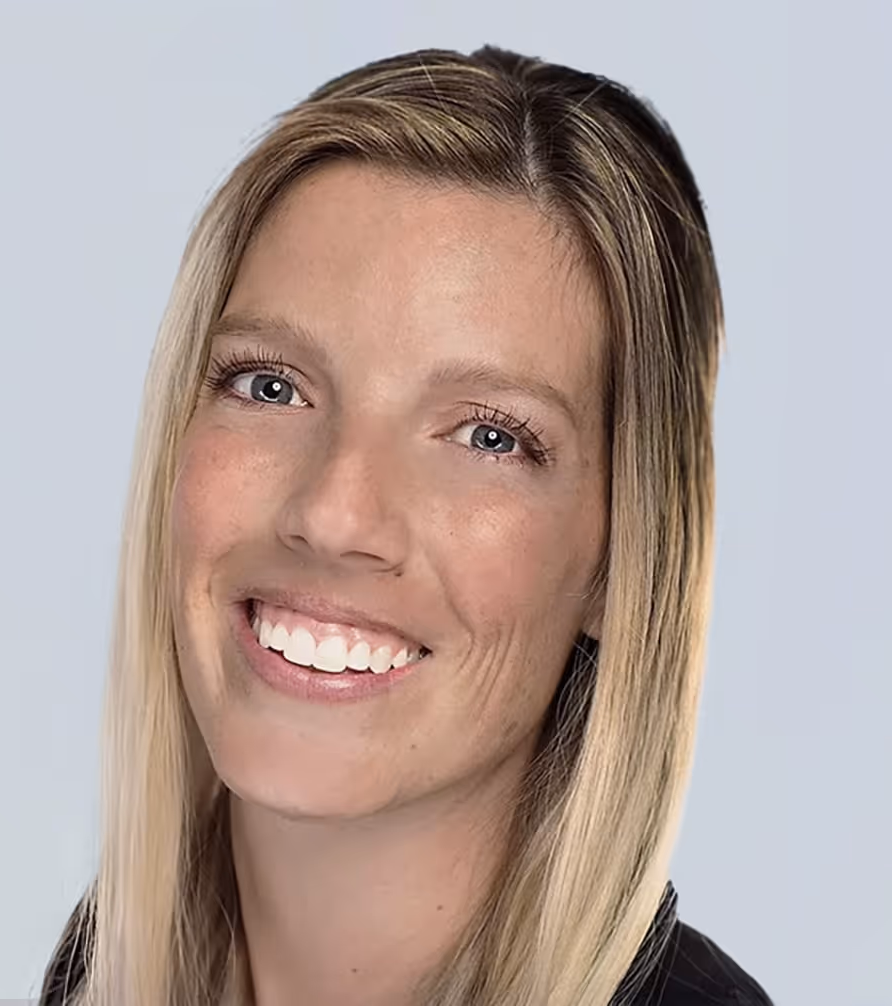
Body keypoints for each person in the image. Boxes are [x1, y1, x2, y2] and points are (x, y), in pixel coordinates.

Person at [40, 45, 773, 1006]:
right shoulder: (106, 972)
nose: (334, 513)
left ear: (620, 560)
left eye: (486, 436)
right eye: (271, 385)